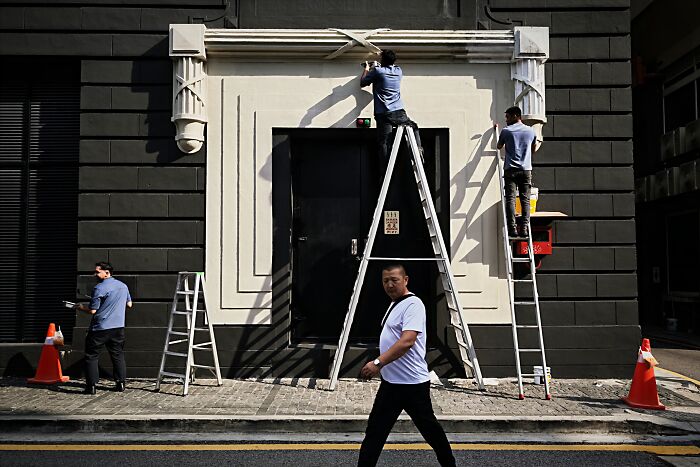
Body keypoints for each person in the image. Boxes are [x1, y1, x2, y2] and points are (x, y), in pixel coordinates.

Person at [357, 264, 456, 467]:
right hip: (391, 383)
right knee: (375, 432)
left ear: (406, 280)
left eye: (395, 280)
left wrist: (378, 362)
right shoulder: (395, 304)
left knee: (430, 431)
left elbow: (407, 341)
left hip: (412, 385)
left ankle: (450, 465)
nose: (390, 285)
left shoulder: (413, 305)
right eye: (386, 281)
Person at [360, 49, 423, 176]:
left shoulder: (377, 71)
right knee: (414, 126)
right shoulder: (398, 71)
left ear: (383, 60)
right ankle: (418, 150)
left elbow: (363, 83)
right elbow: (387, 67)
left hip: (383, 113)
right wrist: (382, 59)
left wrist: (367, 68)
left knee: (384, 142)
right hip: (399, 112)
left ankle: (385, 171)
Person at [75, 262, 132, 395]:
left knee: (91, 356)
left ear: (107, 273)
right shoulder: (123, 286)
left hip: (100, 328)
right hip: (118, 327)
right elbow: (129, 304)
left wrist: (80, 307)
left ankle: (92, 386)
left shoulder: (99, 288)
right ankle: (120, 383)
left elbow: (93, 310)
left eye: (97, 271)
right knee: (117, 355)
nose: (95, 274)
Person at [496, 106, 537, 238]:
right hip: (525, 170)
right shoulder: (531, 131)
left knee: (511, 199)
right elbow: (533, 149)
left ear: (515, 116)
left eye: (508, 117)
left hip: (510, 170)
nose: (506, 120)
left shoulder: (507, 131)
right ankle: (524, 228)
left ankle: (512, 228)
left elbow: (499, 146)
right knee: (525, 200)